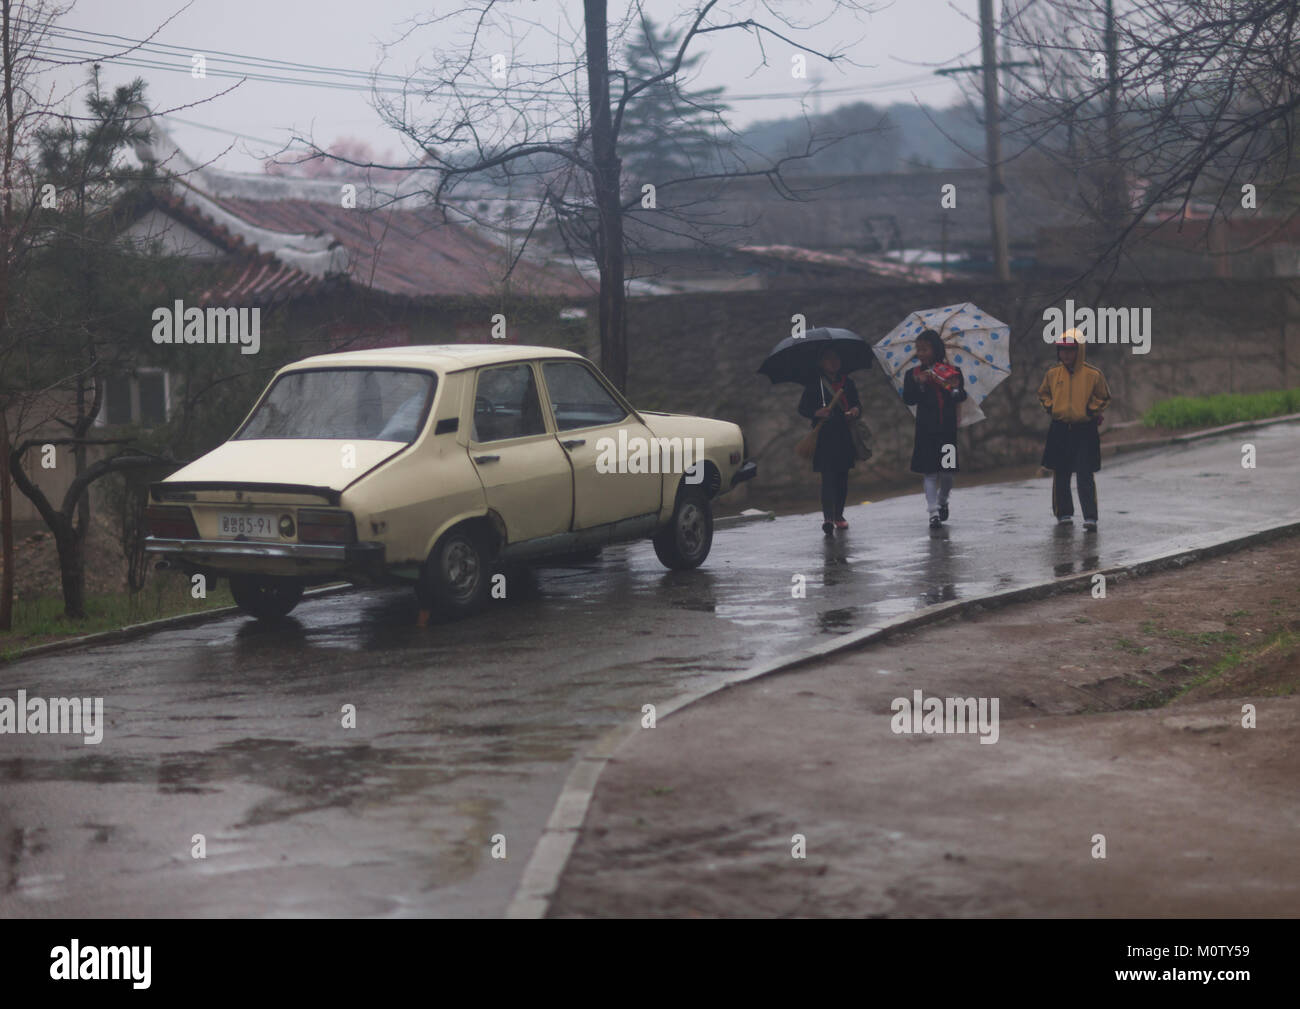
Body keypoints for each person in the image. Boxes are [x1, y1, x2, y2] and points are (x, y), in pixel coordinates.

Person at [1037, 328, 1111, 531]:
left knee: (1085, 474)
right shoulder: (1053, 374)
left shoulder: (1092, 374)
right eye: (1062, 350)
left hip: (1084, 430)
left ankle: (1090, 517)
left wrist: (1090, 410)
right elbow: (1043, 393)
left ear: (1079, 351)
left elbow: (1103, 396)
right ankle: (1064, 513)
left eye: (1070, 350)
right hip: (1060, 428)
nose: (1066, 355)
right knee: (1061, 473)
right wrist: (1051, 407)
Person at [902, 329, 967, 529]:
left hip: (947, 431)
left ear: (936, 349)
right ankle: (933, 513)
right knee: (930, 473)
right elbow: (909, 399)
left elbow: (960, 397)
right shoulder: (912, 374)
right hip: (925, 432)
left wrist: (955, 387)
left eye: (925, 349)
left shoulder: (952, 372)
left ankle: (943, 501)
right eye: (918, 350)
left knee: (947, 473)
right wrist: (920, 385)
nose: (920, 353)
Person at [797, 347, 862, 536]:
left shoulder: (847, 383)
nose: (834, 362)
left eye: (836, 358)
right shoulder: (814, 385)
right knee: (828, 477)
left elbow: (858, 404)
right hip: (824, 437)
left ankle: (839, 516)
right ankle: (827, 518)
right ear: (821, 363)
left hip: (844, 434)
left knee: (842, 477)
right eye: (829, 359)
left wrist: (855, 411)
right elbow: (802, 408)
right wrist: (817, 413)